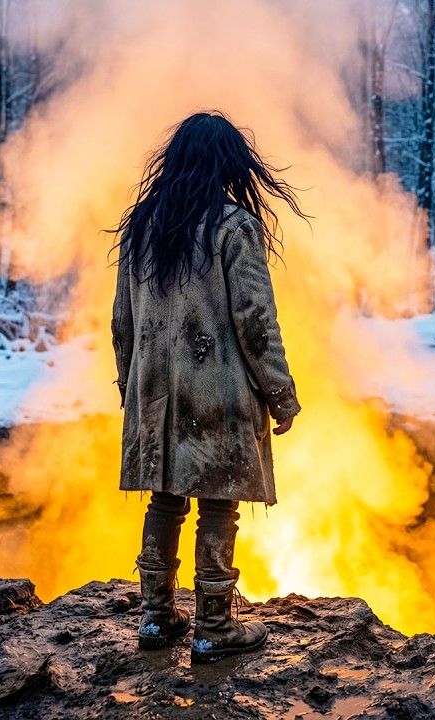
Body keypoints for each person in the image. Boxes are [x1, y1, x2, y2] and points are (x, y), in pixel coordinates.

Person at [110, 112, 303, 664]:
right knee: (219, 504)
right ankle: (214, 625)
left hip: (154, 394)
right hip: (215, 393)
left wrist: (130, 387)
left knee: (165, 499)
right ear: (226, 164)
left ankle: (155, 616)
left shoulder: (140, 227)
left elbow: (121, 320)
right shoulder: (232, 225)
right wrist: (281, 395)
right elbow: (255, 320)